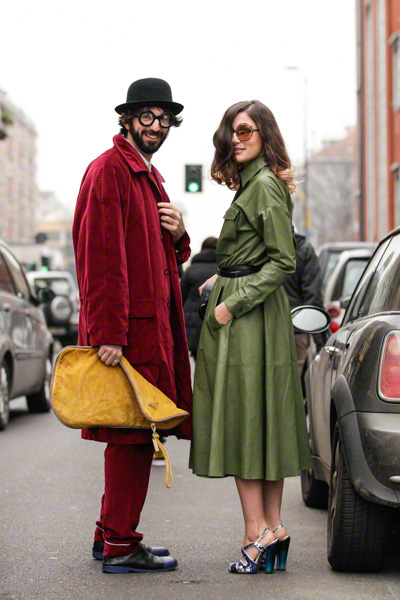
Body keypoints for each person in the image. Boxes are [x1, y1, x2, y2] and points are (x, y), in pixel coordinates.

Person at [73, 78, 192, 575]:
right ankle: (122, 545)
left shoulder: (148, 175)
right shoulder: (111, 170)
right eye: (147, 116)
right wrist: (108, 334)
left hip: (149, 329)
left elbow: (164, 259)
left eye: (164, 119)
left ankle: (108, 533)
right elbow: (100, 256)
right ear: (127, 119)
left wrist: (180, 235)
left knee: (136, 432)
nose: (156, 126)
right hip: (128, 334)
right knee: (132, 436)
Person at [189, 101, 312, 574]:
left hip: (247, 319)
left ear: (265, 135)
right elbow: (256, 256)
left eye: (246, 131)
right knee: (263, 421)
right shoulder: (260, 184)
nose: (236, 140)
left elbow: (283, 262)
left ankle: (254, 533)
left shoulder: (261, 186)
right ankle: (273, 528)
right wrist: (220, 279)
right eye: (231, 133)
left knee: (244, 421)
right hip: (255, 316)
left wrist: (230, 302)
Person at [283, 227, 324, 375]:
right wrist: (320, 339)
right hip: (297, 327)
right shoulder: (304, 250)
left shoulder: (261, 249)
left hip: (266, 329)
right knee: (292, 378)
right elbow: (312, 295)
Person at [180, 236, 218, 360]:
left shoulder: (191, 270)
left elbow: (181, 296)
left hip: (192, 322)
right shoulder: (222, 272)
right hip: (216, 320)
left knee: (198, 359)